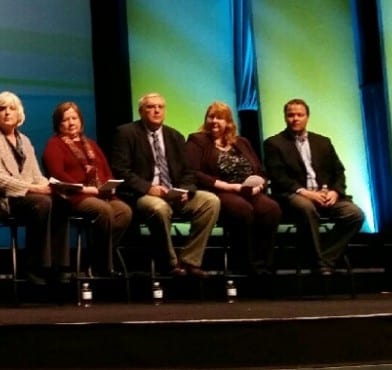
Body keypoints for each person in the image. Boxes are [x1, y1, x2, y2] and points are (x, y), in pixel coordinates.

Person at [110, 92, 220, 277]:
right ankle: (170, 264)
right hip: (144, 195)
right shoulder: (126, 133)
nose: (156, 111)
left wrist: (185, 190)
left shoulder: (175, 136)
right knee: (159, 208)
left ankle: (190, 261)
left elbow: (188, 171)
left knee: (211, 201)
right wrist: (149, 188)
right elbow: (121, 170)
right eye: (150, 107)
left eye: (160, 107)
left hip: (174, 193)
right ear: (141, 111)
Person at [263, 98, 365, 276]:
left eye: (299, 115)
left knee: (354, 215)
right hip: (293, 196)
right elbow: (278, 177)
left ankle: (324, 258)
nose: (295, 118)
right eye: (291, 115)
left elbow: (339, 171)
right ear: (285, 118)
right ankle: (320, 264)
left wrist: (335, 191)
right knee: (306, 208)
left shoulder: (323, 142)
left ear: (307, 117)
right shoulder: (274, 143)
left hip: (326, 195)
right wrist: (307, 193)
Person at [185, 101, 281, 276]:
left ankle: (263, 265)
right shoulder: (197, 140)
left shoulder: (242, 142)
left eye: (220, 118)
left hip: (248, 190)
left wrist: (259, 185)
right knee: (243, 210)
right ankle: (245, 264)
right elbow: (194, 173)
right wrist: (231, 187)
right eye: (211, 117)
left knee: (271, 209)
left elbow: (260, 171)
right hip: (220, 190)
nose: (214, 121)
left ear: (229, 122)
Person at [0, 91, 54, 285]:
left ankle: (53, 266)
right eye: (2, 108)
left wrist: (52, 186)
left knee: (57, 201)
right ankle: (32, 267)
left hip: (22, 198)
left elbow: (35, 175)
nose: (7, 112)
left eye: (12, 108)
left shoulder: (24, 141)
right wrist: (36, 189)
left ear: (20, 114)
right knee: (41, 202)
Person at [42, 101, 132, 277]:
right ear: (58, 124)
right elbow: (57, 174)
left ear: (81, 121)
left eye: (74, 118)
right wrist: (85, 190)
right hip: (74, 197)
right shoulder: (54, 145)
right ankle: (103, 266)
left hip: (101, 193)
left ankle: (93, 259)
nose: (71, 123)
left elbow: (105, 170)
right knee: (103, 210)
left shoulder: (91, 144)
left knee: (124, 211)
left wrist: (110, 186)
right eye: (66, 119)